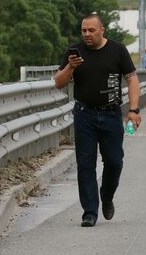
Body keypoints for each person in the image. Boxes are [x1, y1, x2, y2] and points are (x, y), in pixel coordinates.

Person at [55, 13, 141, 228]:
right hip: (85, 114)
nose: (87, 34)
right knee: (85, 164)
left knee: (114, 161)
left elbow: (132, 79)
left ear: (102, 30)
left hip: (111, 114)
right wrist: (71, 67)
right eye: (84, 30)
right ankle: (89, 212)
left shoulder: (117, 50)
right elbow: (58, 82)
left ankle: (107, 195)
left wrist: (133, 109)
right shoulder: (74, 52)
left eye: (91, 30)